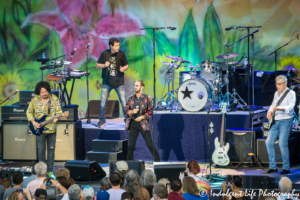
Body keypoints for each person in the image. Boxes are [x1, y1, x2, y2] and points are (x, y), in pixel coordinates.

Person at [26, 81, 63, 178]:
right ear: (39, 92)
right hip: (39, 130)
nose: (44, 94)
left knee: (51, 151)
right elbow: (29, 113)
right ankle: (42, 172)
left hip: (51, 130)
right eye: (42, 92)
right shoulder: (34, 100)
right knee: (41, 151)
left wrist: (57, 118)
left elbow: (59, 112)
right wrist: (34, 122)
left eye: (46, 91)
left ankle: (50, 172)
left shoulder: (54, 99)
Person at [263, 75, 296, 175]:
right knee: (268, 142)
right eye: (276, 84)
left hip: (286, 121)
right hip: (276, 121)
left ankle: (286, 168)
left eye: (280, 84)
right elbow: (273, 105)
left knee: (282, 143)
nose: (278, 86)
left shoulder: (291, 93)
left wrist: (279, 109)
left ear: (285, 84)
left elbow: (290, 107)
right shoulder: (276, 94)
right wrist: (269, 112)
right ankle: (272, 167)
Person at [96, 37, 129, 127]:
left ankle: (127, 121)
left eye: (119, 45)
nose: (118, 47)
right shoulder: (105, 54)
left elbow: (126, 65)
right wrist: (104, 65)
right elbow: (97, 65)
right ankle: (102, 121)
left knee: (124, 102)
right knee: (103, 102)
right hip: (107, 83)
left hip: (119, 83)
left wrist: (123, 68)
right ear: (111, 46)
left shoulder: (121, 54)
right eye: (116, 45)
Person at [125, 80, 160, 161]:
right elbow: (126, 111)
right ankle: (129, 164)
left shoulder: (147, 98)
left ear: (142, 87)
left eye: (137, 85)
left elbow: (150, 111)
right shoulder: (131, 98)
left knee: (150, 144)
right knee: (130, 146)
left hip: (143, 124)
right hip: (133, 123)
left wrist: (142, 117)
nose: (135, 87)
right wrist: (131, 111)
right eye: (134, 85)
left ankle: (157, 161)